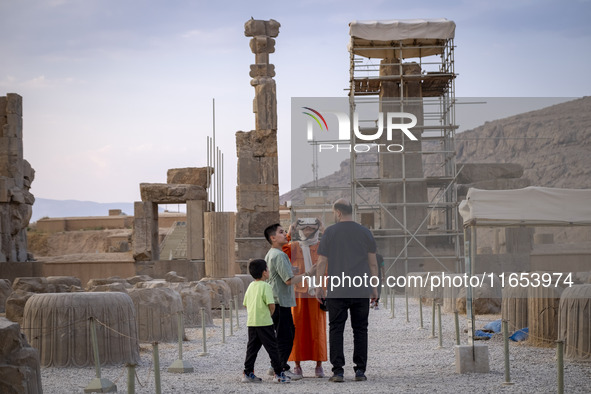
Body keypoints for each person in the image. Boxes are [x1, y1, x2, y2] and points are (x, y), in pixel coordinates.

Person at [315, 199, 378, 383]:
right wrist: (374, 287)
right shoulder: (365, 232)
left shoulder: (330, 233)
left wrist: (320, 286)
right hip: (360, 288)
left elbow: (321, 262)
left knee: (336, 329)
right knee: (360, 329)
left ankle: (338, 371)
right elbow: (372, 263)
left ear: (338, 213)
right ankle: (360, 371)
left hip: (337, 289)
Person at [264, 223, 315, 381]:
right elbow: (288, 281)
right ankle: (281, 368)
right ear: (273, 238)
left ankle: (277, 366)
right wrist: (309, 273)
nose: (285, 234)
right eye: (281, 232)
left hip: (277, 300)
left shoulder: (272, 253)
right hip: (281, 301)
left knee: (283, 334)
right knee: (285, 336)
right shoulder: (279, 255)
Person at [283, 218, 327, 378]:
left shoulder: (322, 246)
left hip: (317, 292)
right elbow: (279, 250)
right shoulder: (293, 247)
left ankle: (319, 364)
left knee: (318, 329)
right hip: (299, 292)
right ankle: (297, 364)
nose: (308, 230)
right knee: (297, 328)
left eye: (311, 227)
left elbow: (335, 249)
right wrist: (289, 232)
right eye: (305, 227)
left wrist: (324, 230)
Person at [242, 259, 291, 384]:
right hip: (265, 323)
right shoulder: (267, 286)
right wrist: (269, 315)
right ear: (264, 272)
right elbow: (271, 305)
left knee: (252, 349)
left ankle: (248, 372)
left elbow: (246, 304)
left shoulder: (250, 286)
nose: (269, 271)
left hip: (252, 322)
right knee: (273, 349)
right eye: (267, 269)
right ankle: (279, 373)